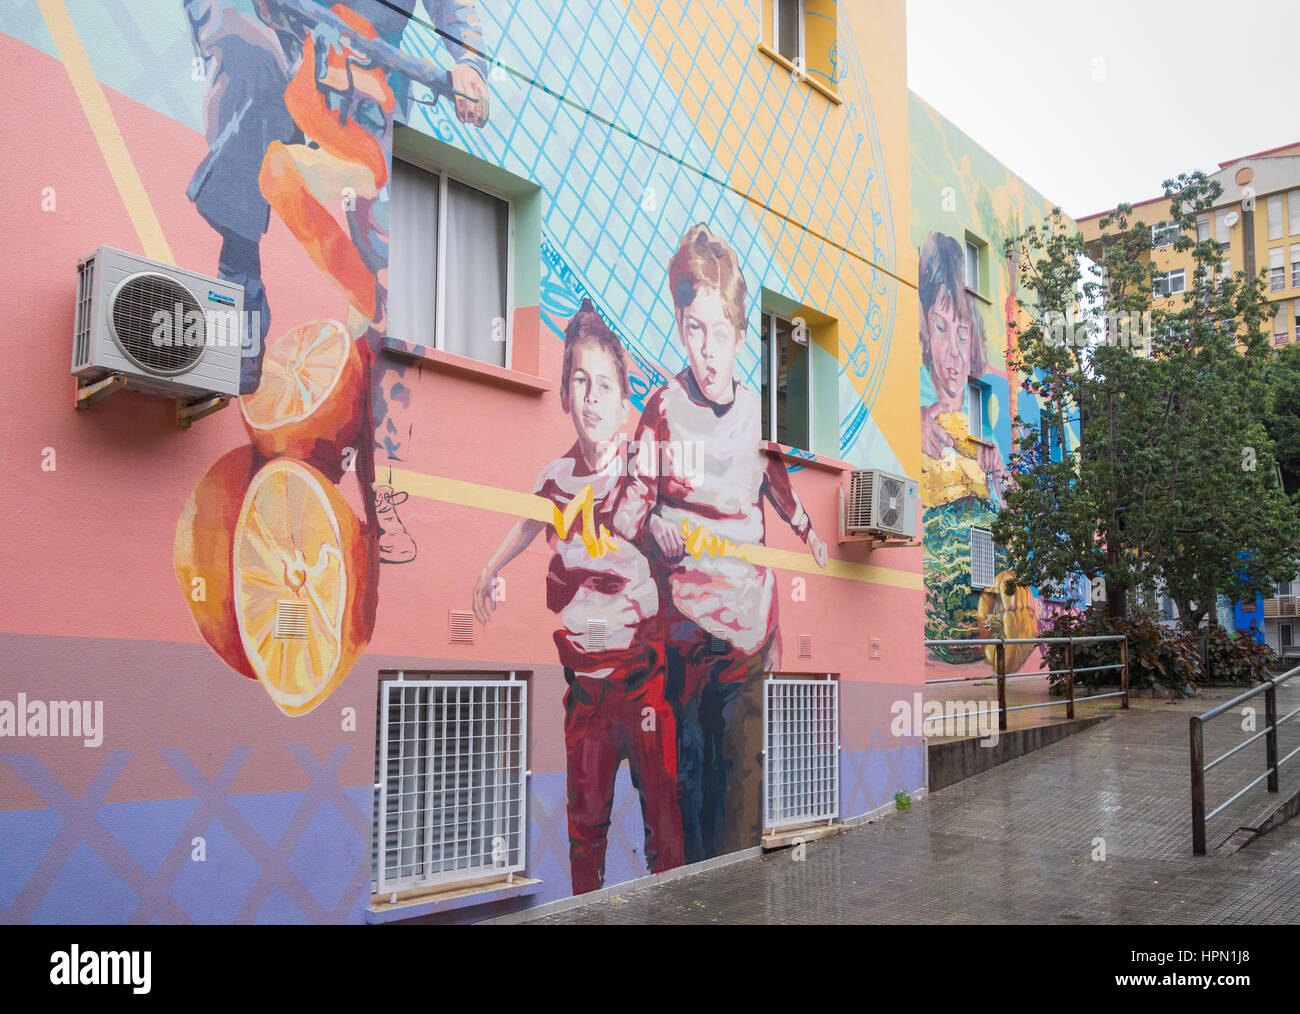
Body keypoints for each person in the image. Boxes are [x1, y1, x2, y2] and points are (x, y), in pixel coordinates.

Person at [185, 0, 490, 563]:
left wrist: (468, 60)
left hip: (363, 89)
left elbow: (456, 10)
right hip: (280, 46)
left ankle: (386, 496)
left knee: (392, 314)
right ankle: (241, 305)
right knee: (253, 115)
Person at [614, 224, 828, 863]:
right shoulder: (661, 409)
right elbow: (628, 507)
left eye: (721, 332)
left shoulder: (758, 413)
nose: (707, 350)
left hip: (747, 640)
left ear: (740, 333)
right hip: (682, 639)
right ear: (681, 326)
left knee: (742, 800)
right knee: (685, 792)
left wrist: (811, 533)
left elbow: (776, 483)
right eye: (693, 330)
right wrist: (652, 525)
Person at [473, 301, 682, 893]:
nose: (591, 397)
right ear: (565, 393)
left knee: (663, 818)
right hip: (583, 689)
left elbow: (662, 511)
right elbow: (528, 522)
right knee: (584, 826)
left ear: (623, 404)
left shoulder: (643, 469)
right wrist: (490, 568)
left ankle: (677, 905)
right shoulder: (556, 478)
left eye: (605, 386)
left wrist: (664, 527)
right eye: (580, 382)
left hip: (641, 676)